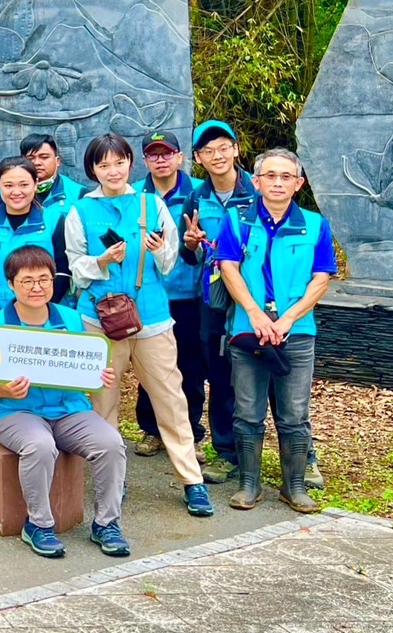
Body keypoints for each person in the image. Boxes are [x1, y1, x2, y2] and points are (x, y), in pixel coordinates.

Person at [64, 133, 213, 517]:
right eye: (103, 165)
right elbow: (74, 270)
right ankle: (112, 479)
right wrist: (101, 260)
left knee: (170, 398)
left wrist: (158, 248)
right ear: (92, 170)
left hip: (151, 316)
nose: (112, 171)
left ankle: (192, 480)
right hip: (98, 318)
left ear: (131, 163)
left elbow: (169, 264)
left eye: (119, 162)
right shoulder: (80, 211)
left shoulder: (152, 204)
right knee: (102, 402)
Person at [0, 246, 130, 559]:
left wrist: (99, 376)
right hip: (16, 411)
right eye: (27, 281)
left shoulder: (70, 319)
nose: (37, 287)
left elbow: (86, 368)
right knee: (41, 446)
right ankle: (39, 525)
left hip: (69, 409)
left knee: (111, 443)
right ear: (11, 284)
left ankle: (107, 523)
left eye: (44, 279)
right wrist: (3, 390)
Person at [216, 148, 335, 514]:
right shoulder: (237, 221)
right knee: (248, 412)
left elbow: (321, 279)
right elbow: (228, 267)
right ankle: (249, 484)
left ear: (298, 183)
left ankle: (294, 486)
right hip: (247, 332)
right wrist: (254, 313)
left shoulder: (315, 225)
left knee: (294, 414)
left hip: (296, 333)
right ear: (257, 181)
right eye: (270, 175)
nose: (278, 182)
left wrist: (286, 320)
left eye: (286, 177)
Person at [177, 120, 257, 486]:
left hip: (256, 300)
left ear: (236, 149)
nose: (217, 155)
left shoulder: (258, 193)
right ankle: (227, 454)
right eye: (208, 151)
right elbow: (188, 255)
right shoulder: (197, 197)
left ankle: (301, 454)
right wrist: (191, 244)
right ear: (198, 159)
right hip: (212, 303)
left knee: (270, 376)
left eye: (223, 147)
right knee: (220, 378)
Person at [135, 132, 205, 461]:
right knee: (150, 368)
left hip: (188, 294)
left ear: (180, 157)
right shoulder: (134, 195)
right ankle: (152, 430)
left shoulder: (197, 194)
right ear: (145, 161)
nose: (160, 160)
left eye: (167, 154)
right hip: (146, 296)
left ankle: (191, 430)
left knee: (189, 365)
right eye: (153, 155)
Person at [0, 155, 71, 317]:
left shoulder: (55, 221)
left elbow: (63, 270)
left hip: (42, 316)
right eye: (8, 185)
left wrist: (45, 309)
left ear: (35, 184)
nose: (16, 192)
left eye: (24, 185)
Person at [19, 133, 84, 217]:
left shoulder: (78, 193)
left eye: (44, 157)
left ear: (57, 161)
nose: (37, 163)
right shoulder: (7, 193)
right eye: (31, 158)